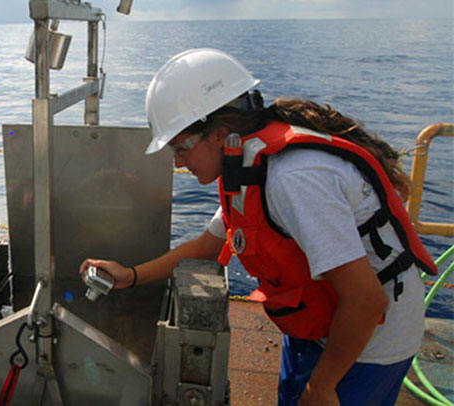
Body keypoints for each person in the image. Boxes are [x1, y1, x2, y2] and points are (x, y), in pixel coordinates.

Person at [80, 48, 438, 406]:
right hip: (319, 321)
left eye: (181, 148)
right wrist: (130, 274)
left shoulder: (292, 179)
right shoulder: (246, 168)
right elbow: (206, 247)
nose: (178, 162)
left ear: (219, 134)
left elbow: (365, 300)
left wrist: (324, 385)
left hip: (369, 343)